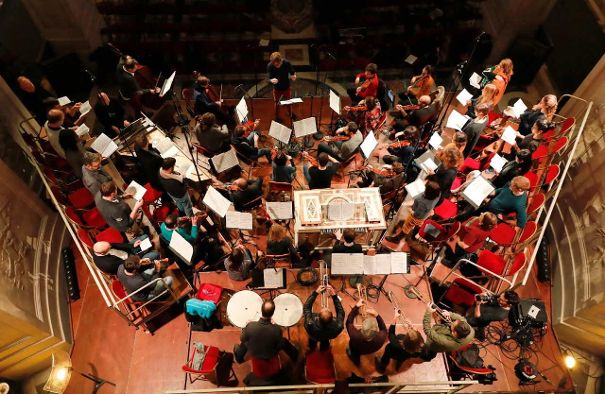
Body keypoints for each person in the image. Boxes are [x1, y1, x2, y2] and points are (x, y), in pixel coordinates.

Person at [234, 300, 299, 363]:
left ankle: (239, 359)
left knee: (245, 341)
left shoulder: (250, 326)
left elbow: (242, 338)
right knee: (284, 341)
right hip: (270, 355)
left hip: (253, 352)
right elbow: (278, 344)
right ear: (273, 313)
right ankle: (295, 355)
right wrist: (274, 326)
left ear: (261, 310)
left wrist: (247, 327)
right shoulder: (277, 329)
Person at [345, 298, 387, 366]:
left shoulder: (355, 335)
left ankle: (356, 361)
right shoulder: (381, 336)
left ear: (362, 329)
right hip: (371, 350)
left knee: (355, 354)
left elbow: (349, 322)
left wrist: (356, 307)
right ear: (376, 330)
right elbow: (384, 329)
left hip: (357, 349)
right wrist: (377, 315)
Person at [303, 284, 345, 351]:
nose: (325, 307)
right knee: (325, 343)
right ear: (332, 318)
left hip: (314, 336)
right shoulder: (338, 326)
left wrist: (315, 293)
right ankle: (323, 349)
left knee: (312, 342)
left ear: (318, 317)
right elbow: (340, 311)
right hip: (327, 337)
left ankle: (312, 348)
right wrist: (334, 295)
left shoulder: (309, 323)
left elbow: (306, 308)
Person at [92, 237, 161, 275]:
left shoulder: (102, 247)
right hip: (129, 263)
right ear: (102, 253)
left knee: (145, 237)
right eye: (109, 247)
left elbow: (116, 245)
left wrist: (132, 245)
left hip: (126, 253)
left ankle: (151, 247)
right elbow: (129, 263)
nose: (111, 246)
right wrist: (142, 253)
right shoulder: (109, 264)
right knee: (154, 254)